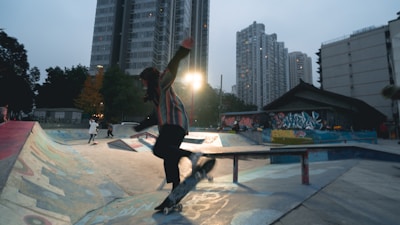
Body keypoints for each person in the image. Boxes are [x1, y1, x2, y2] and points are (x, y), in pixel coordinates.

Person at [134, 37, 202, 190]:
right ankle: (176, 190)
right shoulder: (156, 97)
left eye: (143, 81)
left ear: (148, 79)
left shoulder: (162, 82)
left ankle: (192, 155)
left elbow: (172, 66)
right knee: (169, 158)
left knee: (159, 149)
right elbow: (155, 117)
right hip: (175, 127)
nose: (143, 84)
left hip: (175, 123)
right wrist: (140, 127)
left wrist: (182, 50)